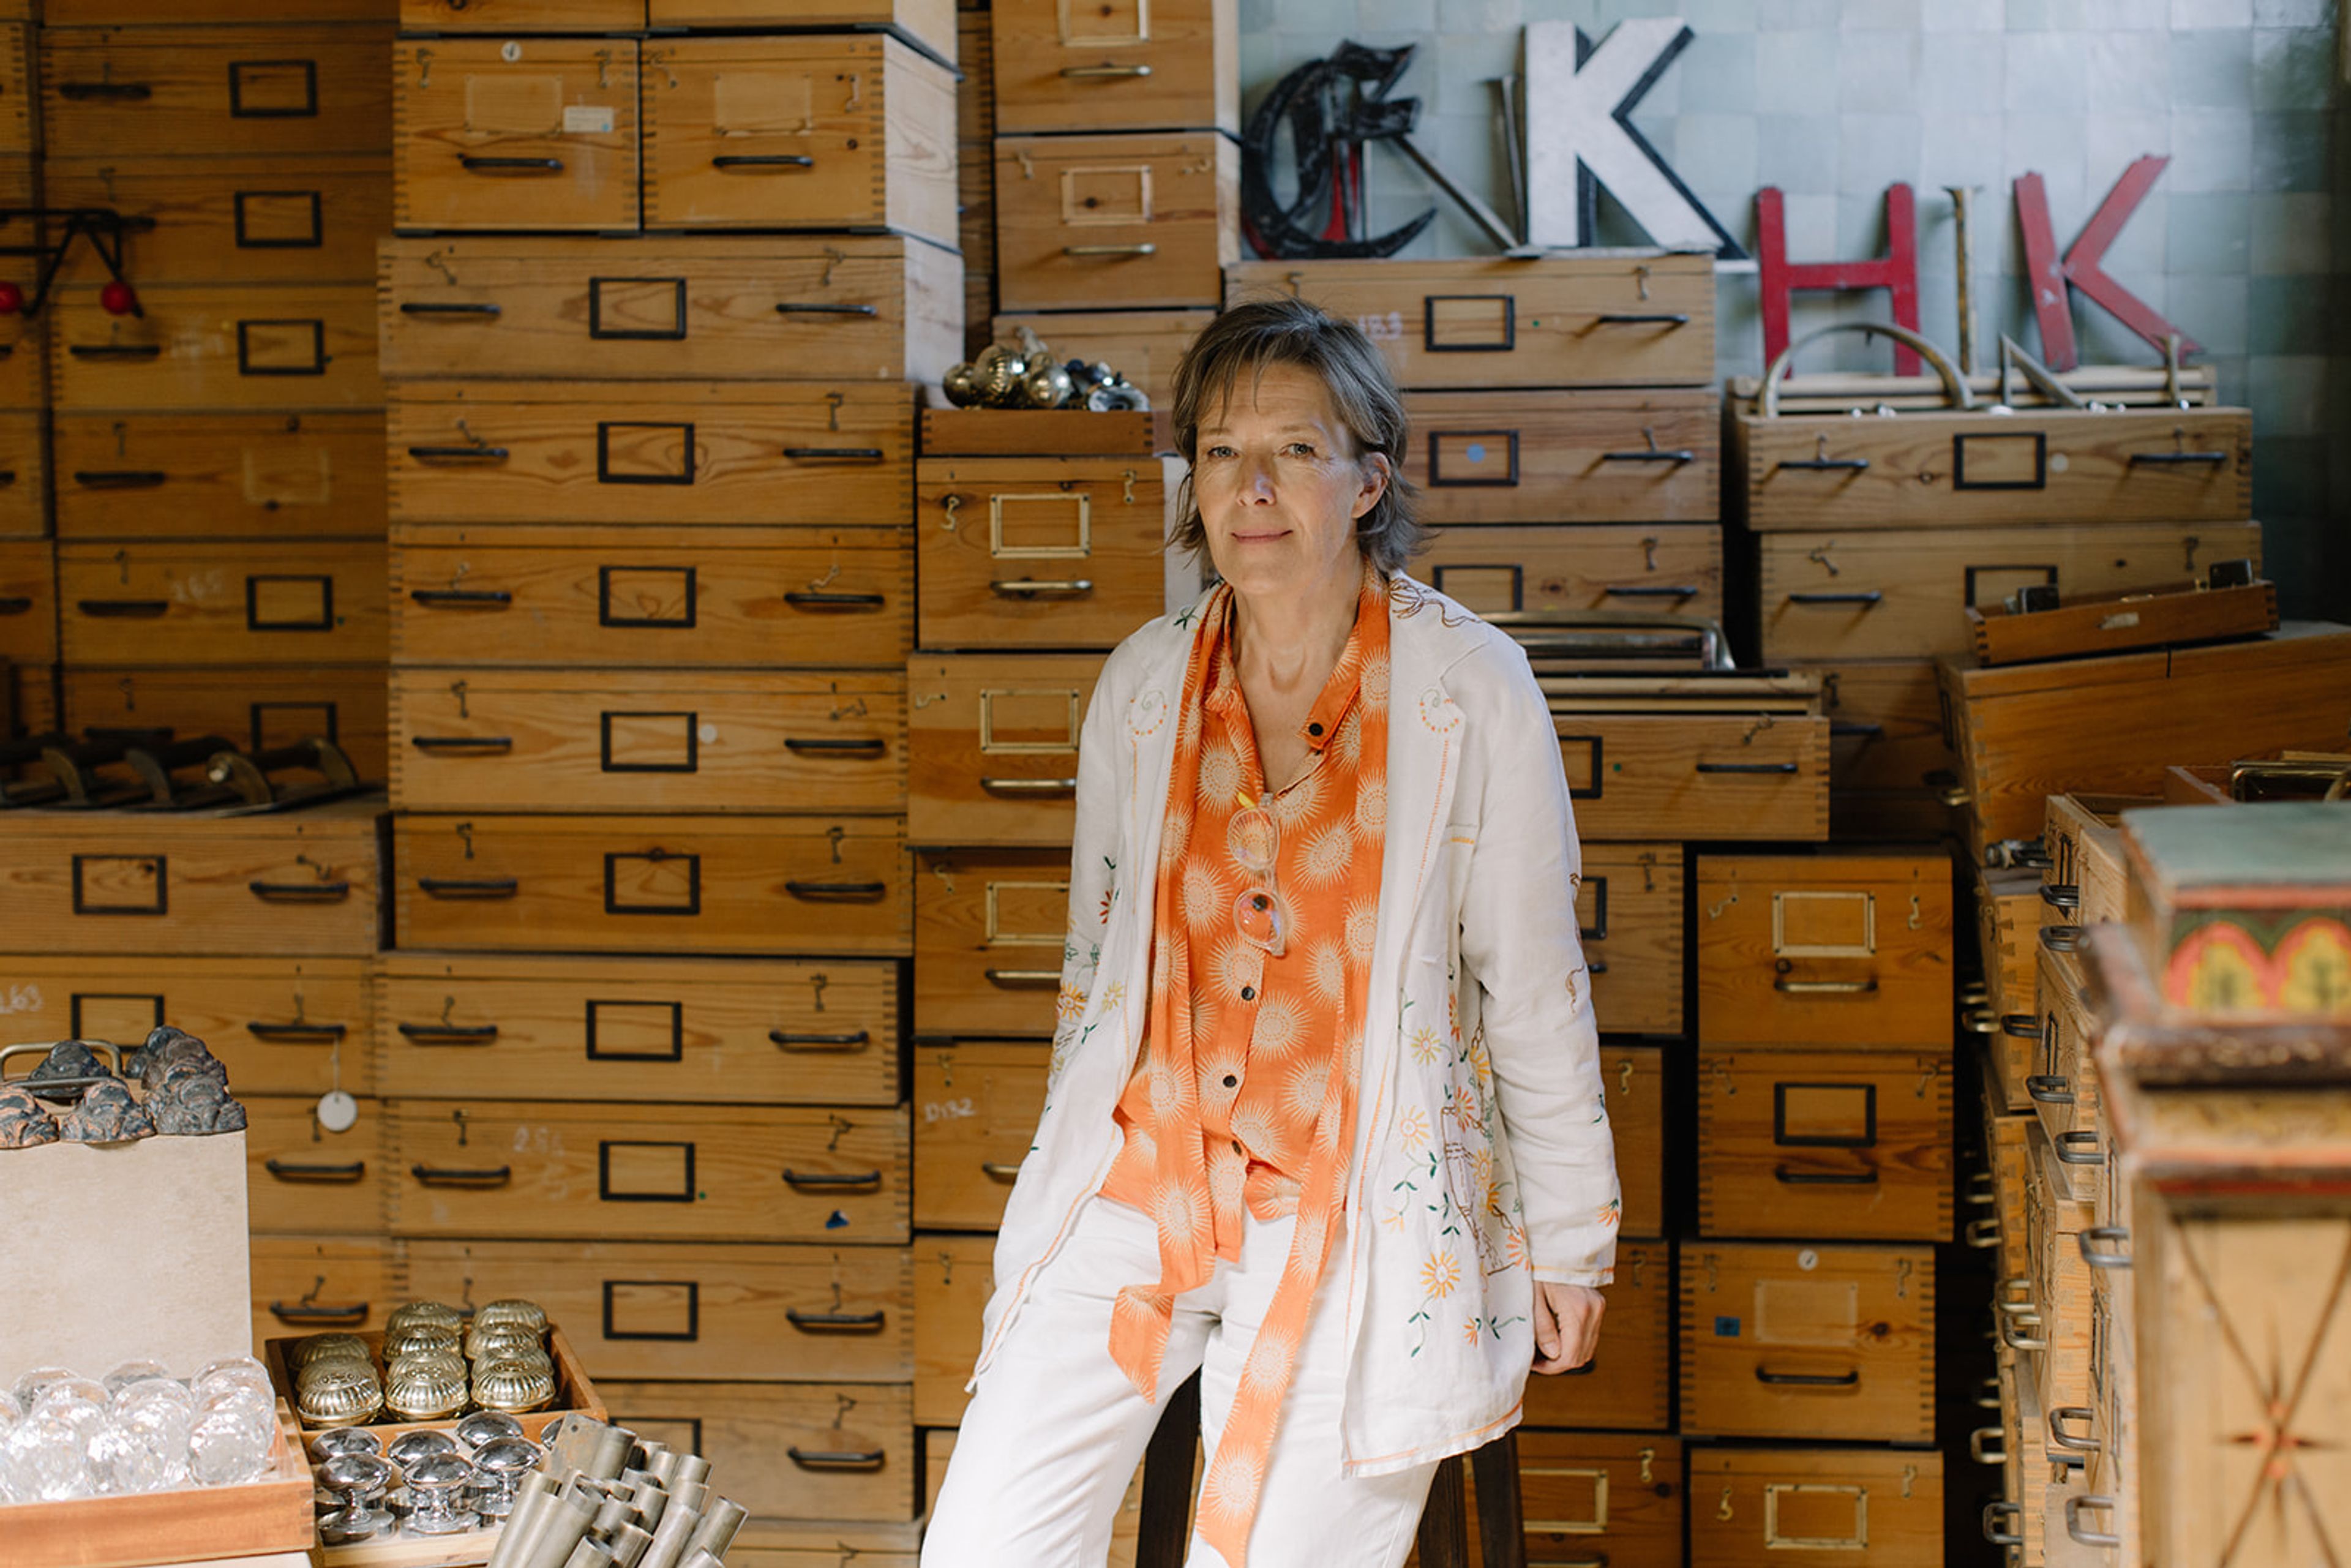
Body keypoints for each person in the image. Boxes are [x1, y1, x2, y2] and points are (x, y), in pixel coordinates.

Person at [922, 298, 1619, 1568]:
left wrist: (1574, 1240)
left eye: (1296, 449)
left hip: (1347, 1197)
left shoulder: (1469, 689)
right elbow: (1095, 977)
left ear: (1369, 479)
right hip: (1148, 1176)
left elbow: (1530, 984)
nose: (1252, 485)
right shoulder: (1143, 685)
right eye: (1222, 449)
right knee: (982, 1548)